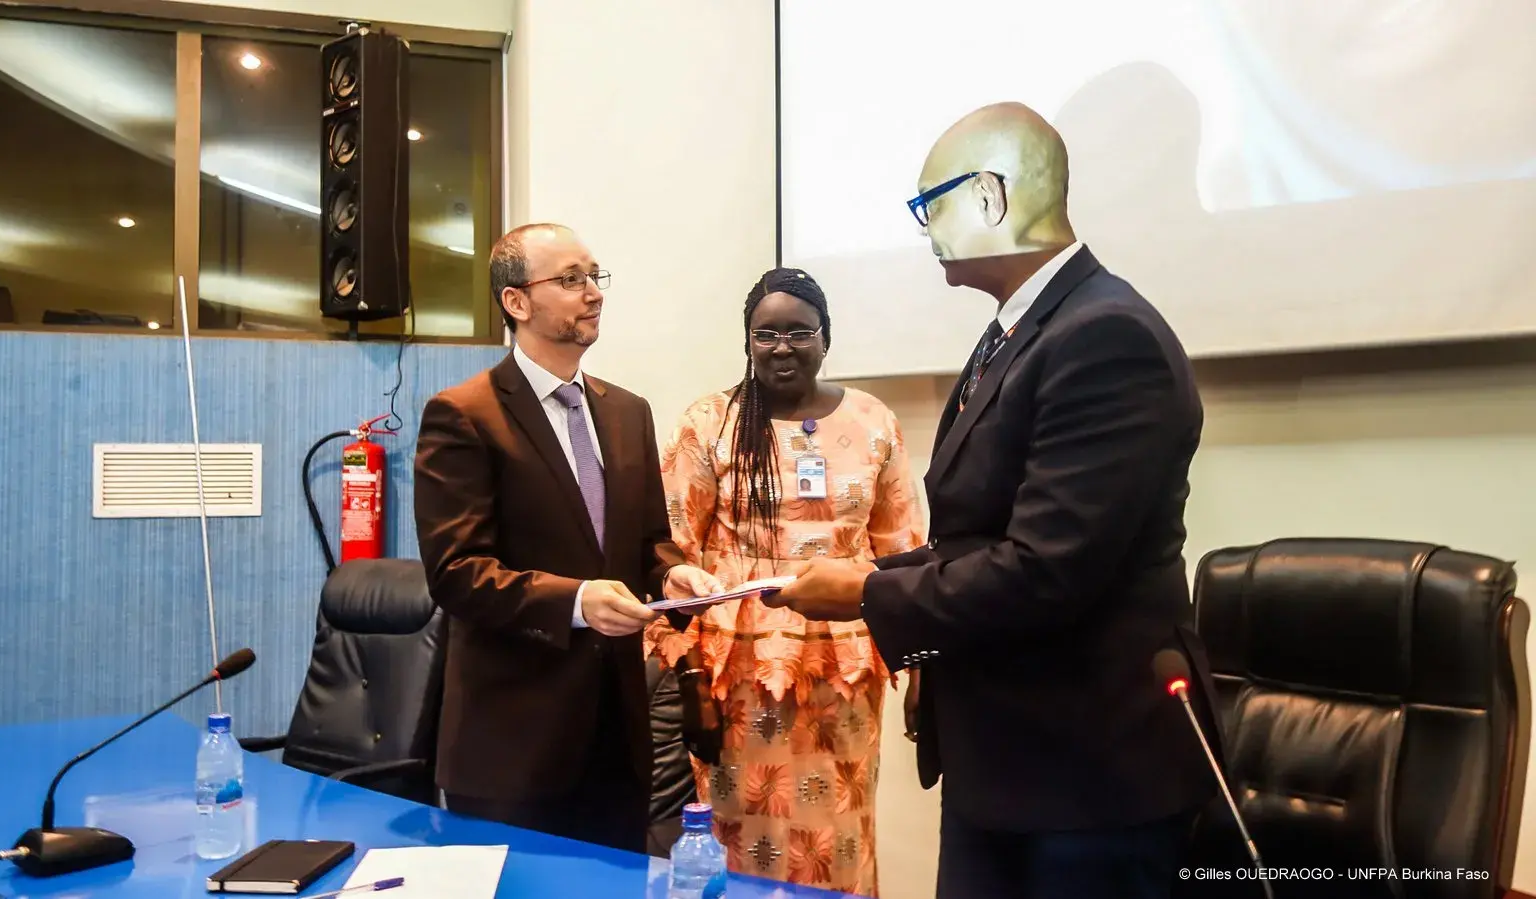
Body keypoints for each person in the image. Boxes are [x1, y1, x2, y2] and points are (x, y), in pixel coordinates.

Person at [765, 103, 1218, 898]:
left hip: (1085, 782)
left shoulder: (1106, 335)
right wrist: (874, 572)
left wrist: (870, 591)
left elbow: (1047, 569)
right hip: (1009, 764)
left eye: (928, 204)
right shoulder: (1020, 329)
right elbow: (979, 538)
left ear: (990, 197)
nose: (923, 228)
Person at [414, 222, 720, 853]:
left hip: (616, 737)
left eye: (594, 277)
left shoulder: (626, 410)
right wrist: (577, 602)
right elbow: (456, 573)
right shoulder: (465, 414)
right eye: (570, 279)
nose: (593, 293)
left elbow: (646, 542)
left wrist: (671, 574)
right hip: (512, 742)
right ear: (516, 302)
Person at [645, 267, 926, 896]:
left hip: (845, 672)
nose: (781, 347)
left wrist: (925, 672)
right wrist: (688, 680)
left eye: (799, 332)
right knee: (739, 837)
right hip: (737, 678)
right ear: (746, 342)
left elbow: (904, 551)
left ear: (826, 338)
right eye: (764, 334)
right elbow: (671, 552)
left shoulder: (873, 420)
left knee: (841, 837)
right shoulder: (710, 422)